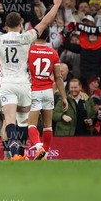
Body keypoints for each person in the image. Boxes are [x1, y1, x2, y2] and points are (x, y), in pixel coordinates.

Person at [0, 0, 63, 160]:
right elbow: (44, 22)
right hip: (24, 83)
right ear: (21, 24)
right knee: (23, 119)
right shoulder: (26, 37)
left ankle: (15, 151)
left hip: (7, 83)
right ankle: (21, 152)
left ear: (6, 25)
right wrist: (56, 5)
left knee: (9, 119)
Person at [27, 28, 68, 159]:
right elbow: (58, 77)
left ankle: (39, 148)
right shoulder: (53, 53)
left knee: (32, 124)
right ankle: (46, 155)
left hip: (34, 90)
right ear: (47, 37)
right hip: (48, 91)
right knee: (47, 125)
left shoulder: (29, 51)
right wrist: (64, 97)